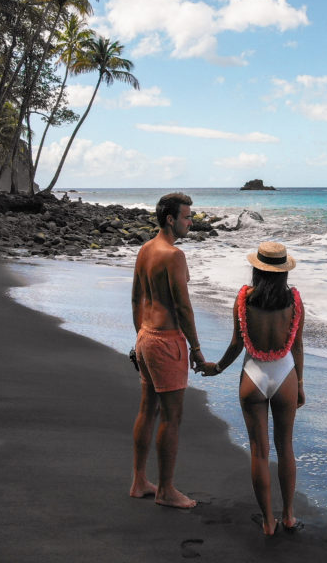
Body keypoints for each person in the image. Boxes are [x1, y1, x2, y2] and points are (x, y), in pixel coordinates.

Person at [202, 241, 306, 536]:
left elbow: (237, 343)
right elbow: (297, 346)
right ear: (284, 271)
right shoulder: (294, 300)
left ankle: (268, 522)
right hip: (285, 374)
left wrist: (218, 367)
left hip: (253, 377)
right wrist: (299, 384)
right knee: (285, 448)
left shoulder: (244, 299)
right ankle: (288, 516)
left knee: (259, 452)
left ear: (257, 270)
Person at [129, 192, 207, 509]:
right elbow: (183, 308)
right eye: (187, 217)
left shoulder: (146, 249)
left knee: (148, 409)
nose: (191, 222)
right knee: (172, 418)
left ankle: (138, 481)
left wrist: (139, 339)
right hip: (166, 340)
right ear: (171, 219)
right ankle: (165, 490)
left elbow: (136, 299)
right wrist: (197, 349)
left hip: (146, 336)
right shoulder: (173, 256)